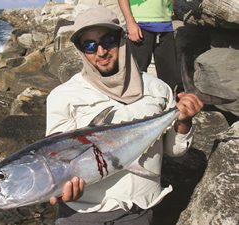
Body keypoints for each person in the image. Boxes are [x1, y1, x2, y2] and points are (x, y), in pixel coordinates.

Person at [46, 6, 203, 225]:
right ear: (81, 50)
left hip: (139, 212)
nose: (101, 52)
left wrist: (184, 120)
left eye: (107, 40)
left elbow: (173, 151)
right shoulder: (63, 96)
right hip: (80, 215)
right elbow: (57, 158)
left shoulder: (158, 89)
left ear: (121, 39)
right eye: (89, 45)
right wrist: (61, 188)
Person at [118, 0, 181, 90]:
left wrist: (169, 10)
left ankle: (169, 102)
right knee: (137, 73)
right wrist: (130, 22)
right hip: (140, 24)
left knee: (169, 75)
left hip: (165, 25)